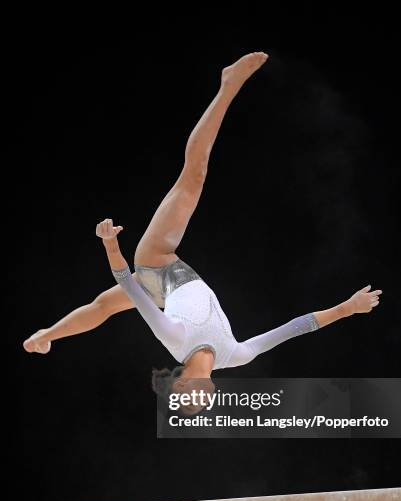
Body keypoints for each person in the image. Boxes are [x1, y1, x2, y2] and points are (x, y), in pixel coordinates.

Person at [23, 52, 382, 413]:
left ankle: (228, 86)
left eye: (185, 398)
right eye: (200, 404)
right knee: (103, 307)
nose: (198, 399)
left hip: (156, 264)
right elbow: (294, 327)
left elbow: (133, 287)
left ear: (180, 382)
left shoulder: (174, 338)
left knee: (193, 176)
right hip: (167, 288)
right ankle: (45, 335)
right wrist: (347, 309)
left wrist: (111, 246)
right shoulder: (236, 356)